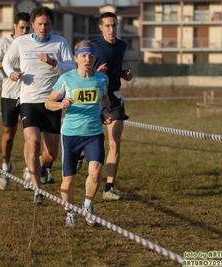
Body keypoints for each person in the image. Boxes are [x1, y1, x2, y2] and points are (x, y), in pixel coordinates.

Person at [3, 6, 75, 205]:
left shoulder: (60, 42)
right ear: (33, 24)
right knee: (33, 142)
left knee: (51, 152)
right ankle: (38, 189)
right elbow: (7, 61)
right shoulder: (21, 42)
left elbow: (71, 68)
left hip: (52, 100)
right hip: (28, 99)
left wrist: (54, 63)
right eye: (40, 24)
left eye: (47, 24)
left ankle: (39, 165)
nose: (43, 27)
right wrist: (11, 73)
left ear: (52, 25)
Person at [45, 40, 113, 226]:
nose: (87, 59)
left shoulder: (101, 79)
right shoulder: (66, 78)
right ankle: (69, 211)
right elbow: (48, 103)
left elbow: (104, 100)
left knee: (96, 172)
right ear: (76, 58)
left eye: (91, 56)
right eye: (83, 55)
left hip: (94, 133)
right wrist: (61, 104)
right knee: (69, 179)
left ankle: (88, 205)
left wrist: (105, 111)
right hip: (71, 134)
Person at [0, 12, 31, 190]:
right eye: (22, 27)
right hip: (9, 96)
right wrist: (4, 63)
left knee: (30, 136)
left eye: (27, 28)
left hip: (29, 96)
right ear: (14, 26)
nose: (25, 30)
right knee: (8, 135)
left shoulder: (32, 43)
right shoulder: (3, 44)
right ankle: (6, 166)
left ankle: (29, 171)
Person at [92, 12, 133, 200]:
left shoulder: (122, 46)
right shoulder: (92, 46)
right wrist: (94, 72)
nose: (112, 29)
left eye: (114, 25)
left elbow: (117, 69)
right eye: (108, 26)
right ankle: (81, 155)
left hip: (114, 97)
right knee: (89, 140)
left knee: (114, 140)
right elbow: (80, 69)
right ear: (101, 27)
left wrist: (124, 74)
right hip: (93, 97)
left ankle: (109, 186)